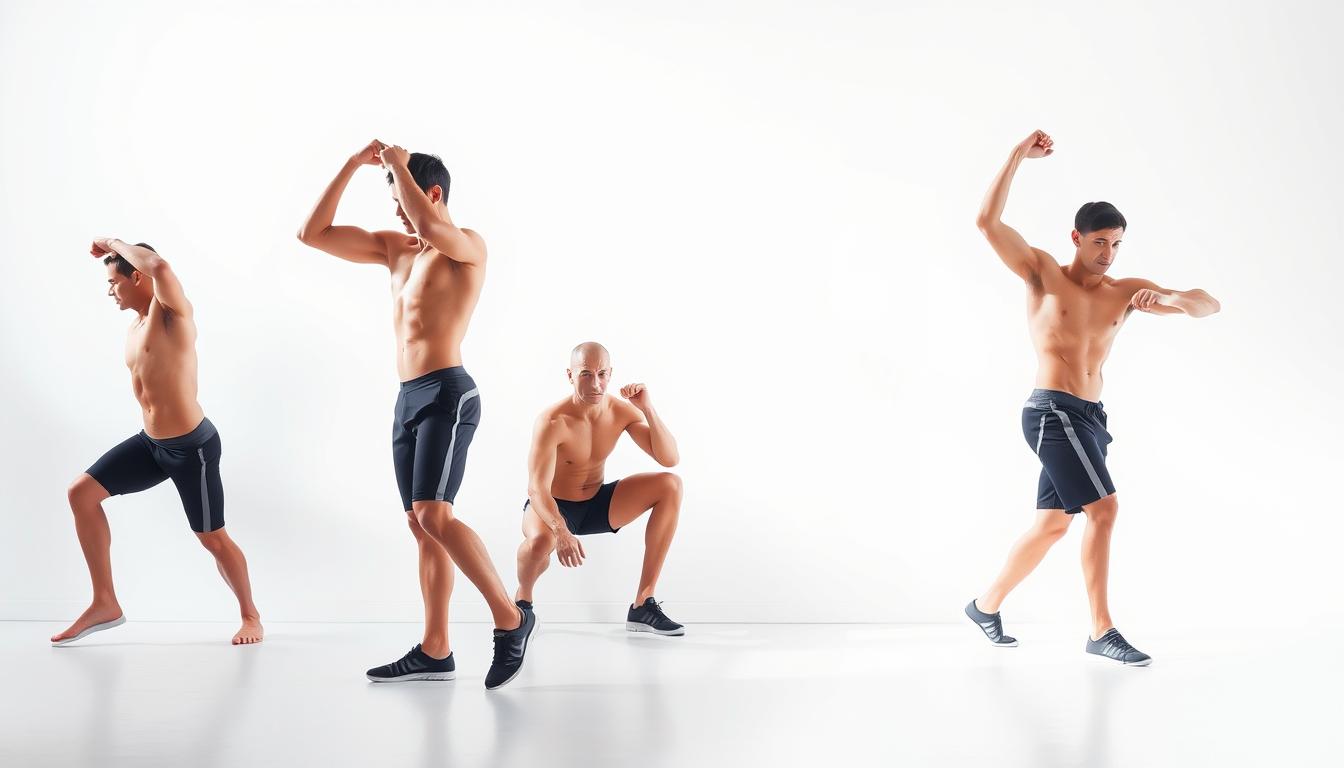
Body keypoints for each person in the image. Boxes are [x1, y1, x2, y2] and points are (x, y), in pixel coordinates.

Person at [967, 130, 1221, 666]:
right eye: (1100, 241)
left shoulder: (1126, 292)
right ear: (1077, 238)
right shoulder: (1043, 273)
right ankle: (1101, 630)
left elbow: (1208, 306)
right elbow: (987, 223)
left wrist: (1172, 297)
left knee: (1054, 524)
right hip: (1050, 409)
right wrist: (1016, 156)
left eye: (1117, 244)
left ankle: (984, 606)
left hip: (1090, 416)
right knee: (1104, 510)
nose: (1108, 254)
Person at [297, 140, 533, 689]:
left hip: (449, 393)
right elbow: (312, 234)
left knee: (434, 515)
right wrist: (354, 166)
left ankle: (510, 617)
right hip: (407, 398)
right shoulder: (397, 250)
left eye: (403, 199)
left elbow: (432, 225)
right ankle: (435, 648)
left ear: (432, 193)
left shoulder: (465, 247)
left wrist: (398, 164)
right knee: (421, 525)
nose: (397, 213)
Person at [54, 239, 263, 647]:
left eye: (115, 281)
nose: (110, 291)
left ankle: (250, 616)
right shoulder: (133, 327)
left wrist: (113, 241)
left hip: (192, 448)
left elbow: (161, 266)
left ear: (137, 276)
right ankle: (105, 601)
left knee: (212, 537)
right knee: (81, 493)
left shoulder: (171, 316)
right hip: (151, 445)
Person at [515, 342, 685, 635]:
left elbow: (670, 458)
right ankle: (522, 605)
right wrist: (560, 530)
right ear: (570, 375)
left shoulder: (620, 411)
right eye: (585, 375)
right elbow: (536, 488)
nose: (596, 384)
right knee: (539, 544)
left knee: (670, 485)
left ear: (610, 374)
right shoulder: (552, 421)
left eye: (602, 374)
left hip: (597, 503)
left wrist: (647, 408)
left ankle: (643, 604)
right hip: (553, 505)